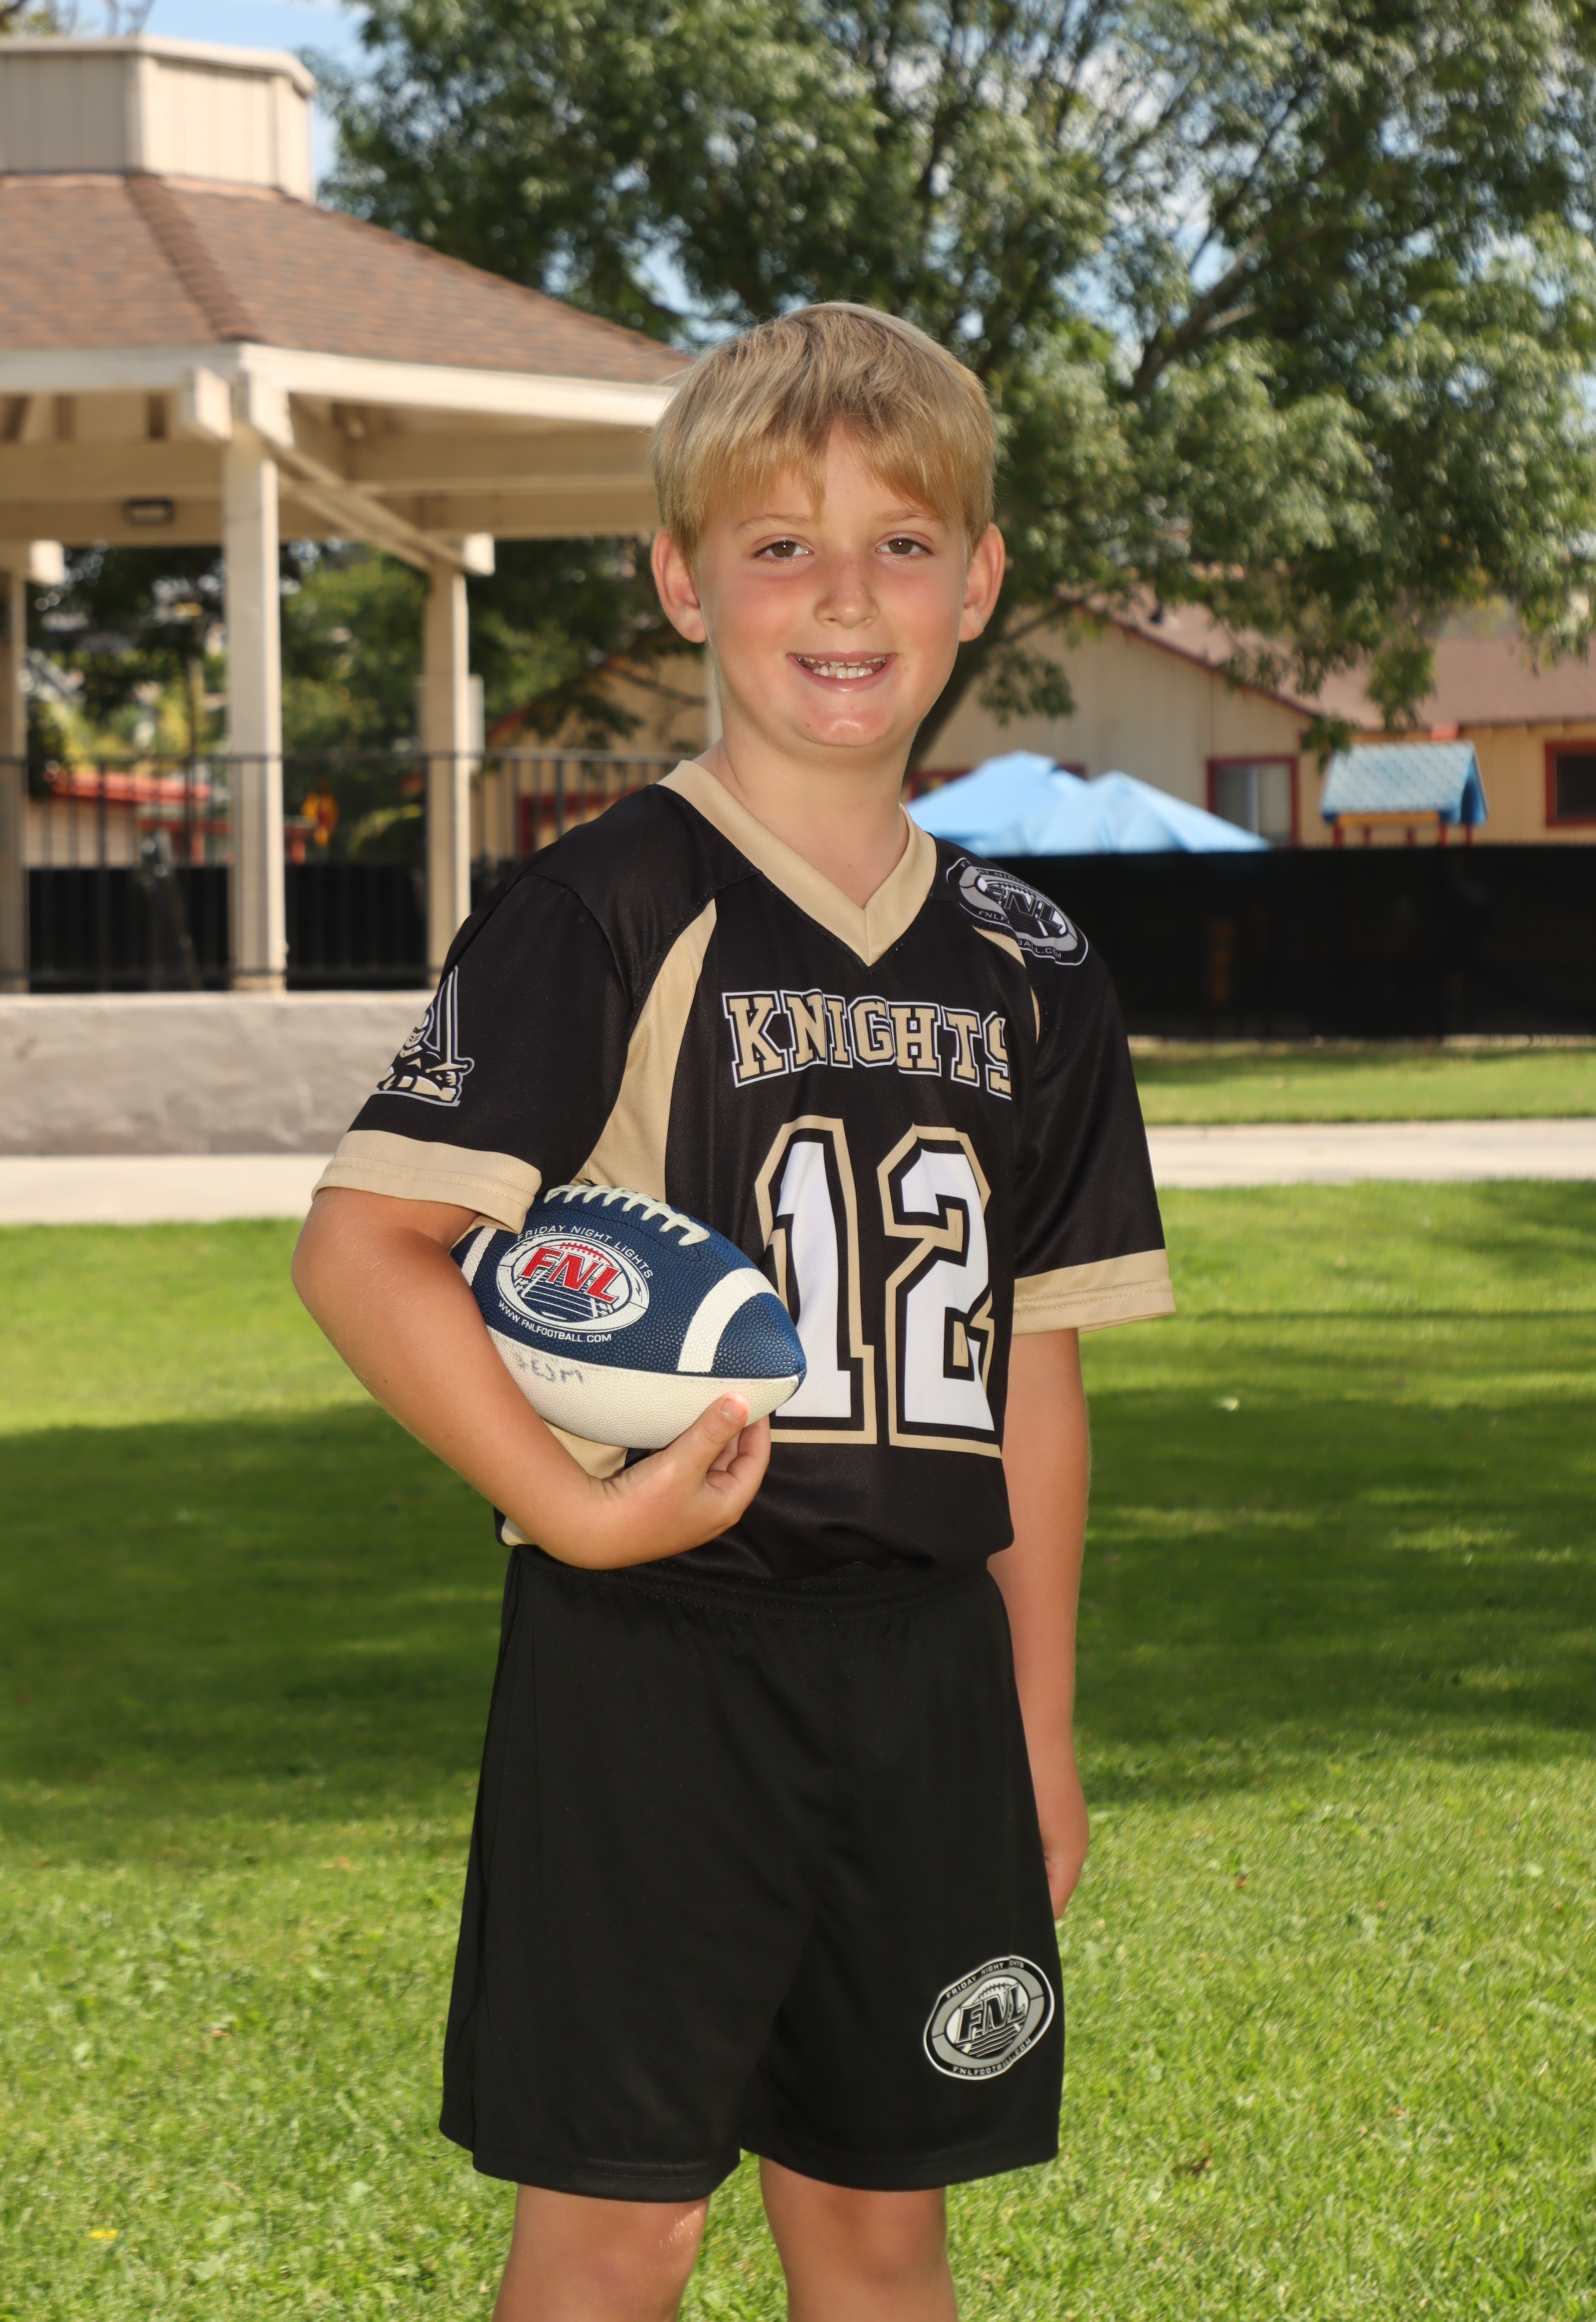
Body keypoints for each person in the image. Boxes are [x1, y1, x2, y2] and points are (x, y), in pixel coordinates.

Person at [292, 302, 1174, 2322]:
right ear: (684, 580)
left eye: (898, 543)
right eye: (780, 546)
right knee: (624, 2230)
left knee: (878, 2226)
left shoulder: (1035, 962)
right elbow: (365, 1252)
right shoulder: (606, 904)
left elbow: (1031, 1371)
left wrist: (1035, 1728)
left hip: (924, 1671)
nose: (842, 597)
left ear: (978, 580)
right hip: (653, 1663)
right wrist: (579, 1512)